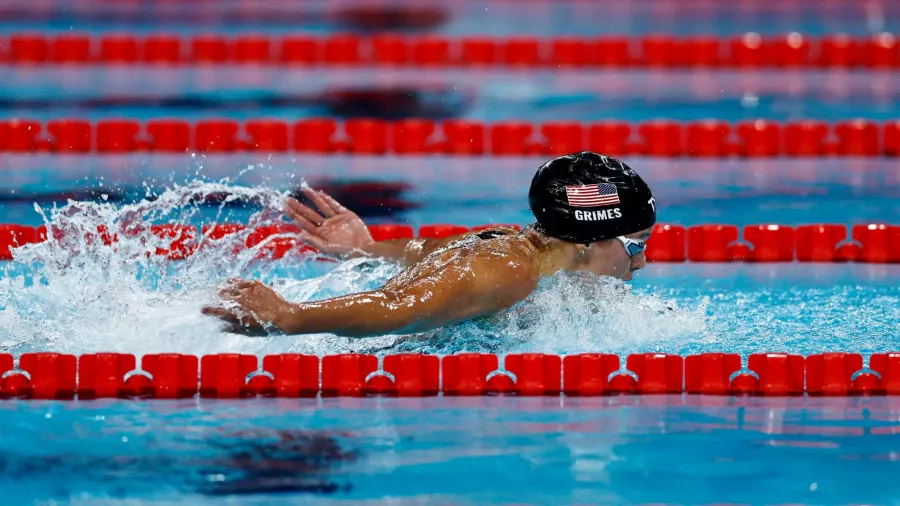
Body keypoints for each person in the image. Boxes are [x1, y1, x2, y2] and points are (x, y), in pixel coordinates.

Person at [202, 151, 657, 337]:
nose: (640, 263)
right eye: (635, 246)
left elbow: (426, 252)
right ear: (588, 240)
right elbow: (399, 303)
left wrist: (367, 249)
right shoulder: (509, 272)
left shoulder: (511, 245)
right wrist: (290, 317)